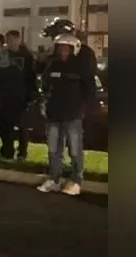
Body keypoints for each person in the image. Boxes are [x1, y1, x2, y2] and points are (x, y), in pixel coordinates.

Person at [37, 33, 95, 195]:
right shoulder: (52, 65)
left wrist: (81, 107)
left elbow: (89, 89)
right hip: (54, 114)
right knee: (54, 149)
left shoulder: (81, 67)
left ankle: (76, 180)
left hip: (72, 115)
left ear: (73, 49)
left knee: (75, 150)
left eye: (65, 48)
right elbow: (45, 85)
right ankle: (54, 179)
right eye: (59, 48)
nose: (62, 51)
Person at [5, 29, 37, 160]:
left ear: (18, 40)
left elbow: (31, 76)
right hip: (8, 96)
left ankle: (22, 152)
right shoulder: (4, 55)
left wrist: (31, 94)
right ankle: (8, 151)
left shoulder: (27, 56)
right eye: (8, 40)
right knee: (7, 126)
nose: (10, 43)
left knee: (23, 127)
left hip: (23, 96)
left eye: (12, 40)